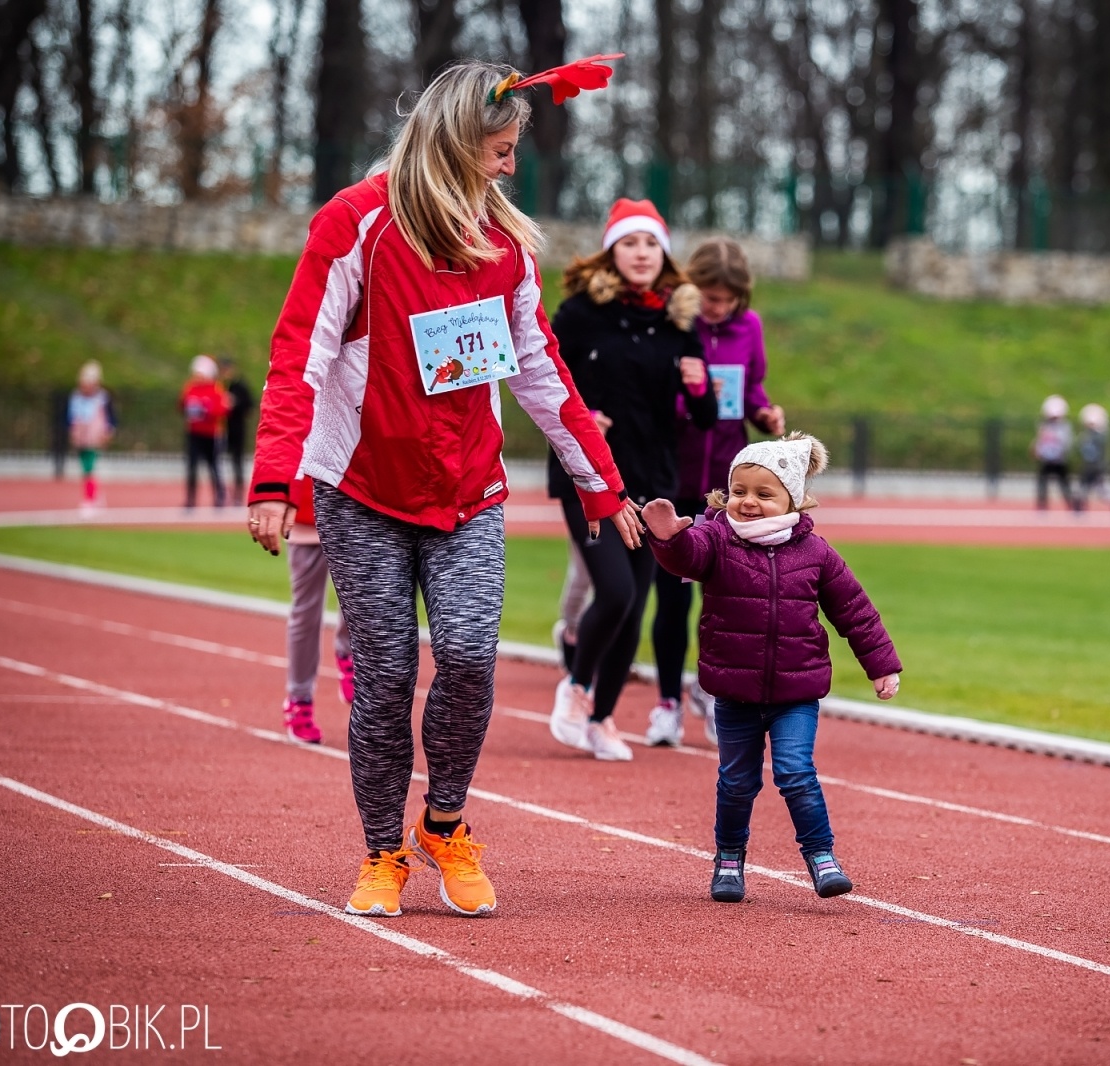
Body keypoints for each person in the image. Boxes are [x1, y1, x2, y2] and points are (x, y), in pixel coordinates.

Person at [246, 57, 637, 920]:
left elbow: (541, 371)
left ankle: (445, 822)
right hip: (363, 492)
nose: (508, 168)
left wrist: (602, 487)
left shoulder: (505, 246)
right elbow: (298, 355)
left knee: (467, 654)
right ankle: (382, 849)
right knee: (384, 674)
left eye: (512, 153)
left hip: (470, 491)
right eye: (498, 151)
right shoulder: (354, 223)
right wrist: (277, 476)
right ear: (455, 142)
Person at [643, 432, 902, 903]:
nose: (748, 503)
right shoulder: (716, 539)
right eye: (739, 492)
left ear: (794, 499)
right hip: (735, 691)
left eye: (764, 494)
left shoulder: (816, 553)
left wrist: (881, 665)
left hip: (796, 694)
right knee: (737, 781)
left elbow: (855, 611)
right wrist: (668, 538)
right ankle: (728, 859)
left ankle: (822, 857)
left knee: (796, 772)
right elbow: (690, 556)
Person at [545, 198, 718, 761]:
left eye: (651, 244)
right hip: (587, 474)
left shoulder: (678, 322)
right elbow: (545, 383)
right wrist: (582, 418)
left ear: (663, 255)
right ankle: (575, 686)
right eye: (630, 243)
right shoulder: (576, 314)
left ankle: (601, 719)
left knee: (635, 604)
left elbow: (705, 416)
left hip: (653, 477)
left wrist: (697, 389)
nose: (641, 253)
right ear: (611, 251)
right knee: (613, 589)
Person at [647, 236, 784, 749]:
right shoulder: (674, 322)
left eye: (726, 299)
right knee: (671, 595)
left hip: (729, 483)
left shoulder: (749, 328)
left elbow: (752, 389)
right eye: (709, 296)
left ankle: (710, 691)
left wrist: (765, 412)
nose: (717, 307)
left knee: (723, 595)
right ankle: (666, 701)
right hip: (674, 472)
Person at [279, 474, 355, 745]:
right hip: (306, 504)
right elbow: (279, 436)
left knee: (362, 594)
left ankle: (349, 654)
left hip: (356, 502)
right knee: (307, 611)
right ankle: (299, 700)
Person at [181, 354, 230, 508]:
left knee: (214, 467)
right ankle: (190, 499)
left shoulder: (216, 388)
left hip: (212, 434)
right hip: (194, 433)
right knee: (192, 467)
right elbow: (182, 404)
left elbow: (222, 409)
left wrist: (206, 410)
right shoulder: (190, 387)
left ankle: (219, 497)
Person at [67, 360, 116, 511]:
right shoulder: (76, 397)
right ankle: (94, 495)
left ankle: (90, 498)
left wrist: (108, 432)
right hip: (81, 436)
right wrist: (73, 431)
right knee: (86, 468)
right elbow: (71, 416)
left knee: (90, 467)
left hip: (95, 436)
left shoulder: (102, 398)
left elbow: (111, 418)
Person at [1032, 394, 1076, 511]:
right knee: (1042, 482)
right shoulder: (1043, 425)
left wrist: (1061, 453)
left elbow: (1067, 443)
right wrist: (1037, 449)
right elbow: (1040, 440)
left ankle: (1071, 505)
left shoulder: (1064, 427)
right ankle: (1042, 506)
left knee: (1064, 483)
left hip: (1059, 460)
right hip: (1046, 459)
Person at [220, 358, 256, 495]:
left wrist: (235, 403)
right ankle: (223, 491)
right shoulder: (221, 386)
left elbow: (249, 406)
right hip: (222, 429)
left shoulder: (241, 386)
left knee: (237, 460)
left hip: (237, 428)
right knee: (221, 461)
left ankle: (238, 490)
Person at [1076, 403, 1109, 510]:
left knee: (1099, 489)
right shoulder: (1086, 436)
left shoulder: (1098, 436)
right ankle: (1081, 506)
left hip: (1096, 466)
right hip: (1088, 466)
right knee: (1085, 487)